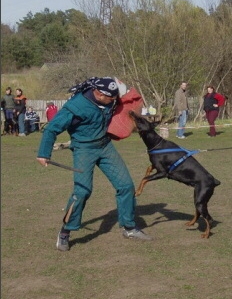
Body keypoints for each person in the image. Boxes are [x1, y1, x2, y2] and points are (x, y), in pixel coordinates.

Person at [36, 76, 152, 252]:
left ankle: (129, 228)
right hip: (83, 149)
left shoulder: (108, 95)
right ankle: (65, 232)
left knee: (126, 185)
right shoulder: (75, 107)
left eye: (115, 97)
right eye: (111, 98)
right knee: (82, 191)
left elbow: (123, 93)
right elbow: (52, 128)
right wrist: (44, 153)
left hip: (105, 146)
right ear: (98, 94)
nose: (114, 101)